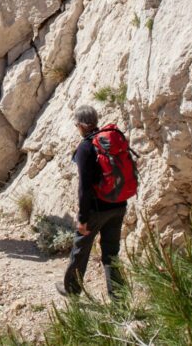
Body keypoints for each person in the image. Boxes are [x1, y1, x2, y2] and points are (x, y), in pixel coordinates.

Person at [57, 105, 129, 298]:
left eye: (76, 124)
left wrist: (82, 217)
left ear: (81, 125)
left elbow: (85, 188)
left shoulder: (86, 147)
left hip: (97, 209)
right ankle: (119, 298)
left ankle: (71, 289)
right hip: (119, 205)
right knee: (111, 253)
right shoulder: (110, 140)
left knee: (80, 249)